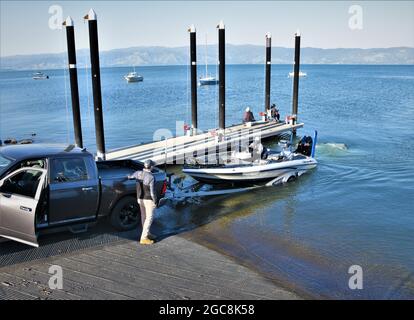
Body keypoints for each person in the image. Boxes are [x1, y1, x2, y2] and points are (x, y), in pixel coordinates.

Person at [128, 159, 158, 245]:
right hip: (148, 200)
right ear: (151, 167)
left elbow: (130, 177)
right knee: (149, 218)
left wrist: (127, 176)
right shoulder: (151, 177)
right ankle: (144, 238)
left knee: (143, 216)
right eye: (153, 166)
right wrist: (155, 201)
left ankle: (147, 233)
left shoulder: (138, 173)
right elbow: (152, 192)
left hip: (139, 199)